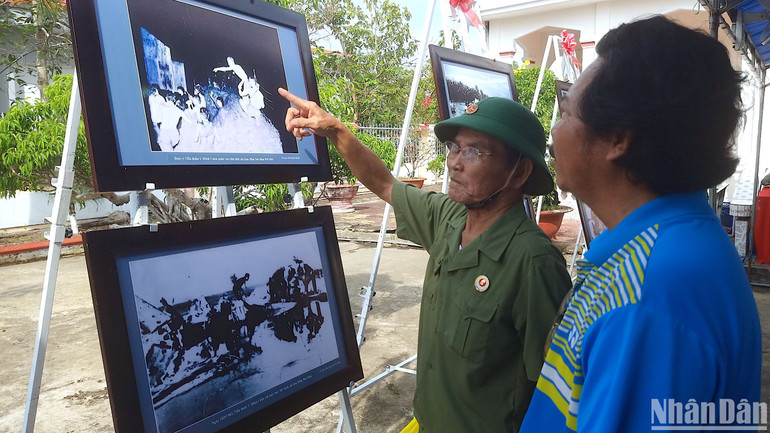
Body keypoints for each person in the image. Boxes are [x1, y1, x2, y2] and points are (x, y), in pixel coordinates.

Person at [520, 16, 762, 432]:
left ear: (617, 138)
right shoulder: (673, 246)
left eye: (564, 115)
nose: (554, 134)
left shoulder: (650, 294)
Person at [280, 88, 572, 432]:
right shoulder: (449, 219)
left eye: (475, 151)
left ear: (519, 173)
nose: (455, 162)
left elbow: (556, 394)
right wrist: (336, 132)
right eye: (454, 147)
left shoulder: (534, 263)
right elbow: (385, 183)